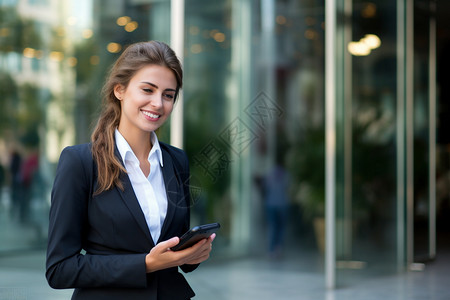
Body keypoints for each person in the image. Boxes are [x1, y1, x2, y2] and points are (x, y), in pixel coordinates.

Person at [46, 41, 215, 300]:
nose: (158, 103)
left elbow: (176, 251)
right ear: (120, 90)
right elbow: (59, 269)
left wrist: (193, 254)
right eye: (148, 89)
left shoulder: (176, 160)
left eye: (168, 95)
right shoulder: (80, 162)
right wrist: (146, 264)